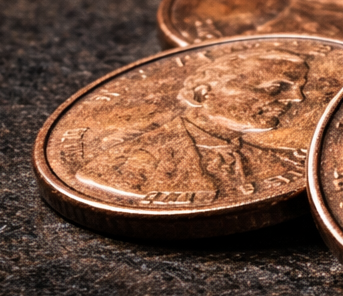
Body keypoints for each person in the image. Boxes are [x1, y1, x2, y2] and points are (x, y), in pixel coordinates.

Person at [76, 50, 307, 204]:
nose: (296, 98)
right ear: (202, 93)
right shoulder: (121, 163)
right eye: (275, 87)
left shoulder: (281, 162)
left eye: (297, 88)